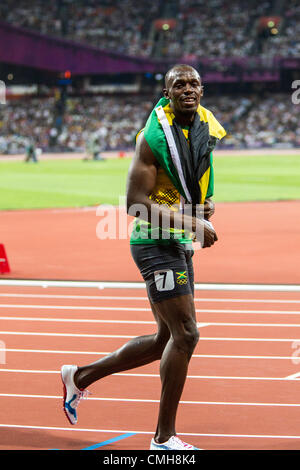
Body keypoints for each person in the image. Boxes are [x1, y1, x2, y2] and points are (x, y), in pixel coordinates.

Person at [61, 64, 226, 451]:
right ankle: (163, 439)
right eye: (178, 85)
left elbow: (190, 185)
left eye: (194, 83)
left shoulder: (200, 127)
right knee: (187, 334)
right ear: (166, 93)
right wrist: (191, 221)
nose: (188, 89)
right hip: (154, 241)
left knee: (164, 340)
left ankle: (79, 377)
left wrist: (202, 207)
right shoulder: (152, 139)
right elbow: (135, 204)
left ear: (202, 90)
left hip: (177, 239)